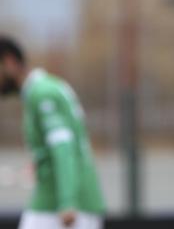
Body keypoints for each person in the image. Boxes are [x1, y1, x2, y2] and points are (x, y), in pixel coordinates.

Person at [0, 36, 105, 229]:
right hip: (60, 200)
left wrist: (67, 202)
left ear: (9, 62)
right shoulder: (42, 90)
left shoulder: (42, 94)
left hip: (62, 205)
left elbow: (63, 147)